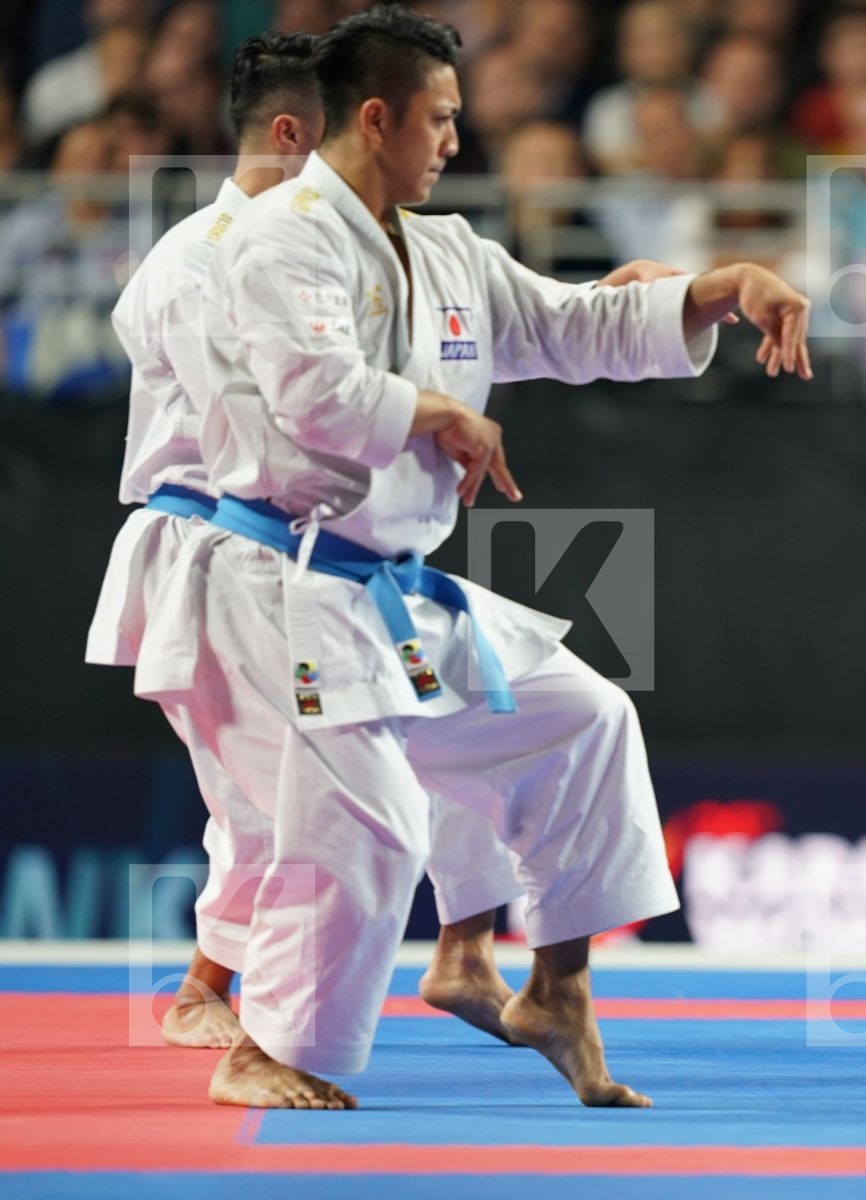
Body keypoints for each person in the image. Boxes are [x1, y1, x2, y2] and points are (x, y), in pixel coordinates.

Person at [174, 5, 809, 1110]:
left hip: (392, 595)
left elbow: (574, 325)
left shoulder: (452, 251)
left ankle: (559, 987)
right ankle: (262, 1051)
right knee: (371, 821)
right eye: (442, 119)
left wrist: (720, 286)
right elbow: (312, 395)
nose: (457, 141)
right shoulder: (277, 242)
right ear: (377, 119)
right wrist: (435, 410)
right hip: (288, 587)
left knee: (583, 714)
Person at [85, 32, 539, 1056]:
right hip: (227, 547)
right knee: (290, 806)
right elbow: (284, 425)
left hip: (294, 553)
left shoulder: (298, 248)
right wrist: (421, 417)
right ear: (296, 133)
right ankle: (240, 1015)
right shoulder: (218, 257)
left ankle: (426, 952)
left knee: (349, 770)